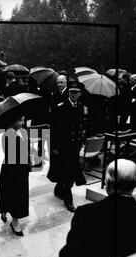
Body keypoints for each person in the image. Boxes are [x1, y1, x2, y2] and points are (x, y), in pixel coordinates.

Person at [47, 81, 86, 212]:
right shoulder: (61, 107)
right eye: (71, 92)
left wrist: (81, 141)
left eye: (76, 92)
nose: (74, 94)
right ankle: (68, 200)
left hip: (74, 146)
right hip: (64, 146)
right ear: (68, 93)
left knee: (67, 170)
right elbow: (55, 129)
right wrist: (55, 147)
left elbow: (80, 126)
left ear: (80, 94)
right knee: (67, 173)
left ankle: (59, 189)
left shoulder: (80, 106)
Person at [0, 110, 30, 236]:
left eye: (23, 120)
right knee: (15, 193)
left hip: (21, 167)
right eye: (19, 120)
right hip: (13, 169)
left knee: (14, 193)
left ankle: (6, 209)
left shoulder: (21, 131)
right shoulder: (8, 134)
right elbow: (13, 155)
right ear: (12, 121)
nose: (22, 123)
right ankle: (15, 222)